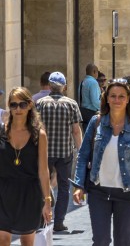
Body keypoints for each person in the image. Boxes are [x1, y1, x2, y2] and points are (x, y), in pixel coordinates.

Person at [72, 79, 130, 246]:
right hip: (98, 191)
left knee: (123, 242)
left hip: (128, 193)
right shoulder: (96, 123)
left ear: (129, 99)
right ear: (106, 98)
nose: (117, 100)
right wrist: (79, 185)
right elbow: (83, 156)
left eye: (121, 96)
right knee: (101, 241)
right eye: (113, 96)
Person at [0, 87, 52, 245]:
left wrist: (47, 201)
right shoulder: (1, 132)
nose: (18, 109)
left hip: (29, 194)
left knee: (27, 241)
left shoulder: (38, 135)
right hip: (3, 192)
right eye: (14, 104)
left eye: (22, 104)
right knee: (2, 239)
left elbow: (43, 170)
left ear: (30, 105)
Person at [36, 71, 83, 232]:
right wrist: (81, 151)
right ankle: (59, 222)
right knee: (64, 187)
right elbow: (76, 131)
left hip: (44, 151)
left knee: (41, 184)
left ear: (49, 86)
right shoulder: (71, 104)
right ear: (64, 87)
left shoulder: (41, 103)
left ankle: (41, 220)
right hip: (64, 152)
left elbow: (35, 128)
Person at [79, 63, 102, 131]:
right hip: (91, 113)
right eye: (97, 72)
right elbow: (95, 101)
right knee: (93, 136)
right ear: (94, 71)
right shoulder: (93, 82)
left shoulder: (83, 82)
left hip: (83, 112)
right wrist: (103, 108)